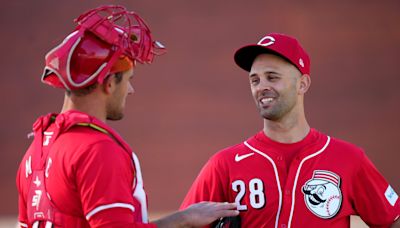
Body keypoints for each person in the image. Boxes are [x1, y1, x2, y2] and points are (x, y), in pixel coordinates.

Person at [16, 5, 238, 228]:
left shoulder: (35, 152)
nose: (130, 90)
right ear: (110, 83)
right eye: (128, 79)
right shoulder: (96, 149)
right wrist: (183, 220)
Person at [180, 32, 400, 227]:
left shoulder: (349, 159)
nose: (261, 86)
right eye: (254, 80)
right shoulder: (224, 165)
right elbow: (184, 223)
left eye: (272, 77)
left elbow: (392, 219)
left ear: (302, 84)